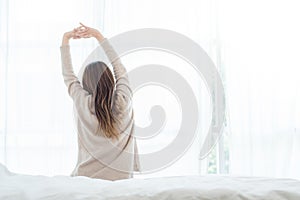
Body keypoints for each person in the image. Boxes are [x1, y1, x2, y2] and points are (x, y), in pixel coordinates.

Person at [60, 23, 140, 180]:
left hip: (86, 178)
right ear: (110, 79)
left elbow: (68, 75)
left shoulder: (81, 101)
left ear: (86, 83)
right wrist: (98, 36)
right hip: (122, 179)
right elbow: (119, 68)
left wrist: (66, 38)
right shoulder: (123, 99)